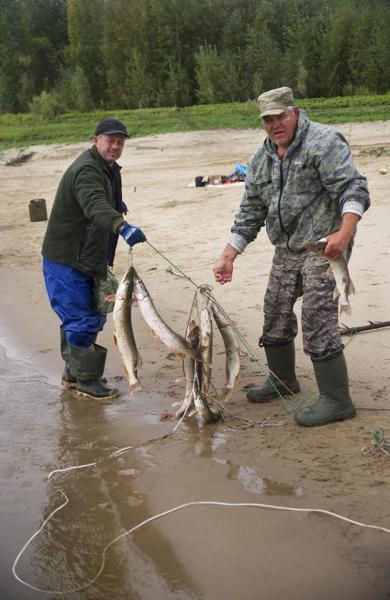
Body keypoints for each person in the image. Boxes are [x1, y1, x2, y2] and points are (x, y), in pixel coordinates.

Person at [213, 87, 370, 427]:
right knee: (275, 310)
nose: (274, 125)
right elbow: (250, 212)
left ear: (294, 112)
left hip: (325, 245)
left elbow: (353, 189)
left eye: (280, 116)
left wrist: (344, 234)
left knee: (317, 314)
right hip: (286, 247)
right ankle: (283, 381)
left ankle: (337, 399)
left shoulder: (324, 142)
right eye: (267, 120)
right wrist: (229, 255)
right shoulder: (260, 159)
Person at [42, 117, 146, 400]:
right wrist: (121, 224)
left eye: (120, 142)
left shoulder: (109, 169)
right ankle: (86, 381)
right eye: (110, 140)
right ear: (95, 139)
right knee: (82, 319)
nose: (115, 146)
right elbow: (93, 204)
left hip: (88, 256)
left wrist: (116, 205)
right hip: (66, 259)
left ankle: (73, 374)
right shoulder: (87, 169)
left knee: (89, 316)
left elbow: (102, 201)